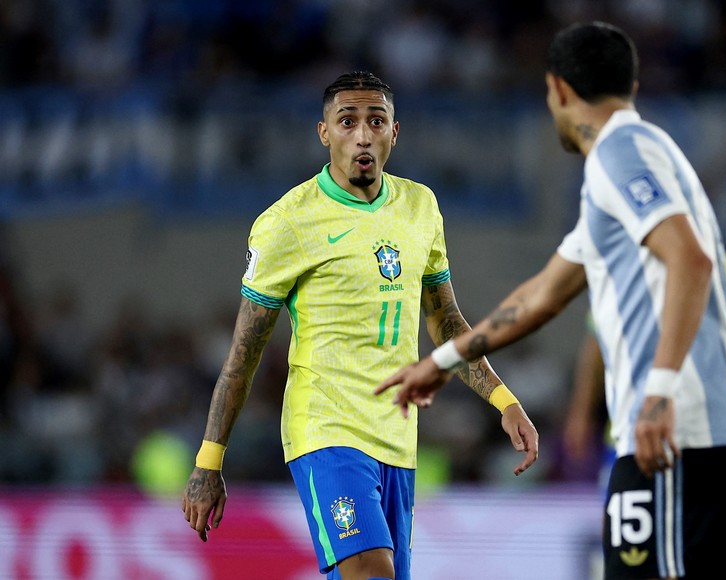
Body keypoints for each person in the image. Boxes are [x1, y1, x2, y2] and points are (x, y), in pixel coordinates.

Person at [377, 23, 726, 579]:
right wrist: (442, 361)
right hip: (718, 439)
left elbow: (692, 259)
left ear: (560, 90)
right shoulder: (641, 163)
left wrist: (658, 394)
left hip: (678, 438)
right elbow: (542, 296)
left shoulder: (619, 152)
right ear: (630, 82)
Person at [181, 71, 538, 580]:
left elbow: (445, 321)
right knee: (372, 572)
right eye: (347, 122)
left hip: (397, 437)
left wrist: (504, 401)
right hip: (326, 431)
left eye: (376, 121)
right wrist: (209, 460)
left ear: (396, 131)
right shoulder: (287, 223)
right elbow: (245, 353)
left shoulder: (420, 207)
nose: (363, 135)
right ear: (324, 133)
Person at [563, 252, 726, 477]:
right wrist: (580, 414)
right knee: (622, 509)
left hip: (709, 431)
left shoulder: (720, 263)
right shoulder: (616, 264)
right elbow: (596, 345)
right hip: (631, 430)